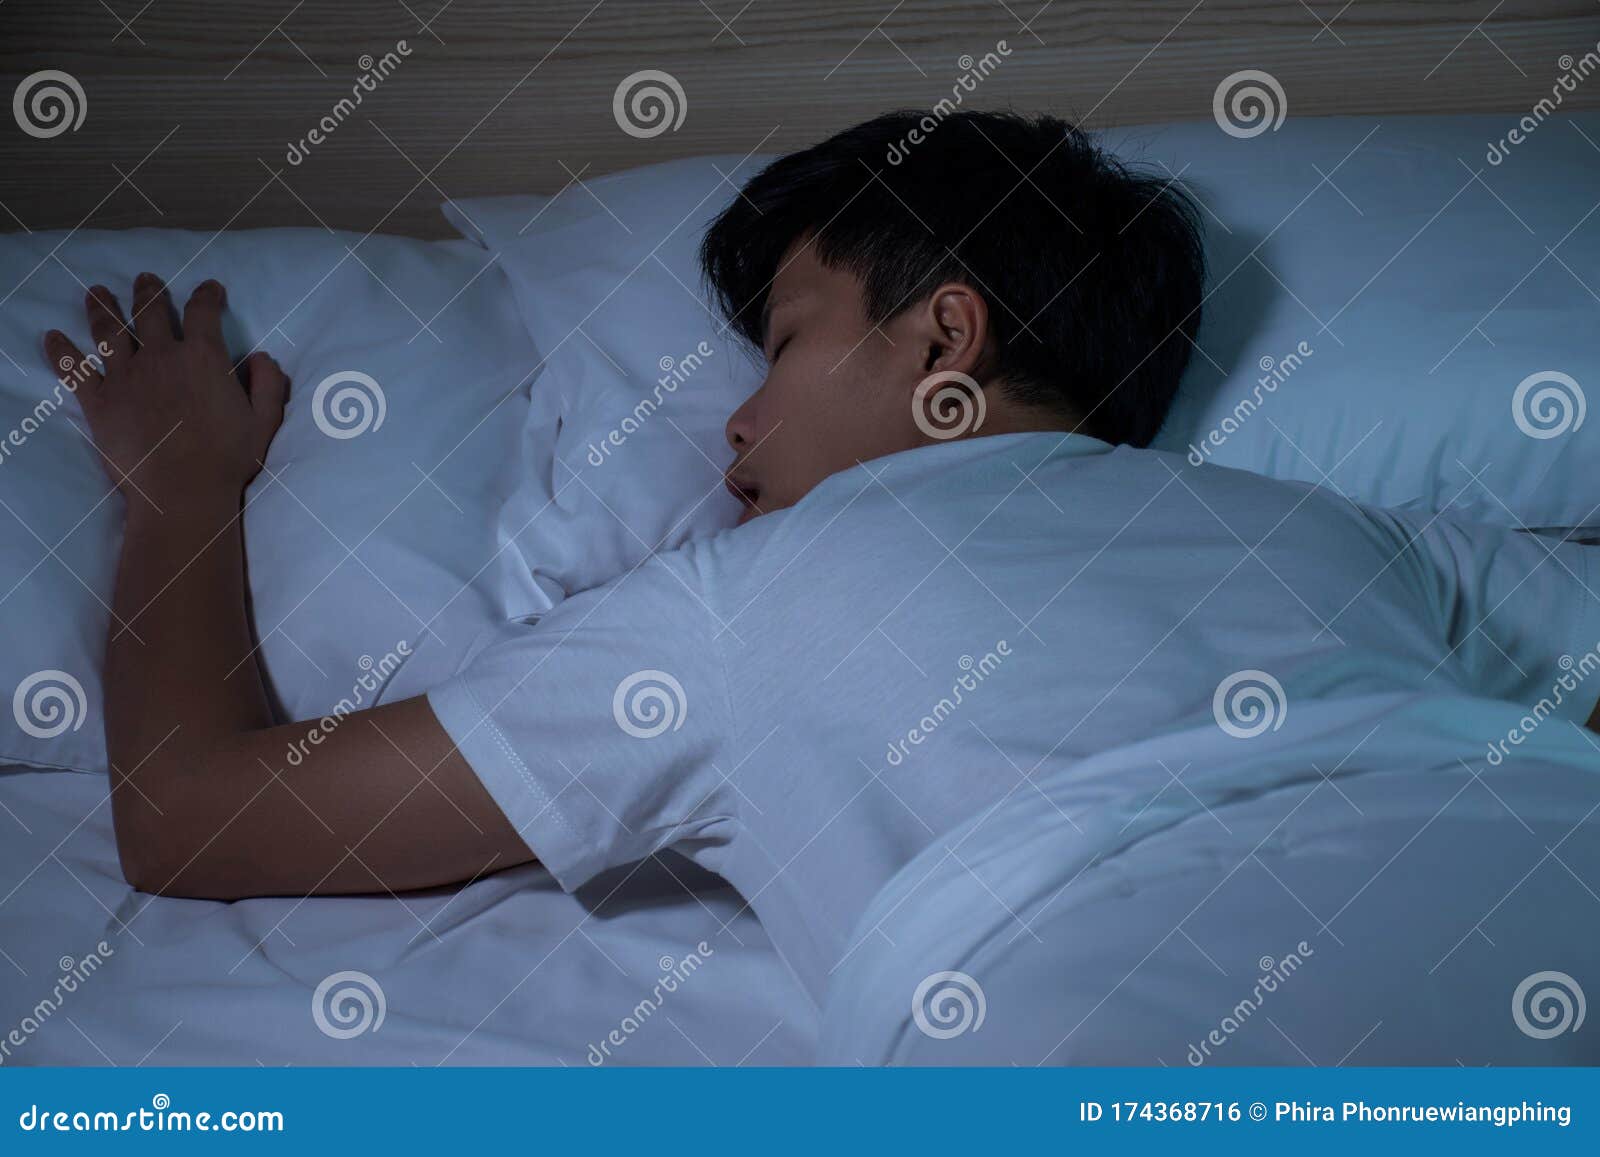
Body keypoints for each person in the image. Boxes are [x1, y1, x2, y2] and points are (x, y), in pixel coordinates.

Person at [40, 111, 1600, 999]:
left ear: (949, 332)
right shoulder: (1348, 537)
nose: (731, 428)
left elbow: (190, 813)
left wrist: (181, 495)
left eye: (781, 343)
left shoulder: (734, 605)